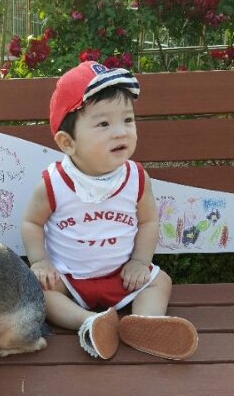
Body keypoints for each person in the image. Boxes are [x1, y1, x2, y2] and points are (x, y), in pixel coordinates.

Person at [21, 60, 198, 361]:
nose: (120, 132)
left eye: (127, 120)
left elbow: (148, 221)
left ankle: (145, 323)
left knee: (160, 281)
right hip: (69, 278)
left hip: (121, 275)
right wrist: (40, 261)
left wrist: (140, 262)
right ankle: (89, 322)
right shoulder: (54, 184)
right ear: (67, 142)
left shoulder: (136, 178)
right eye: (104, 124)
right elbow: (31, 223)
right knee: (38, 290)